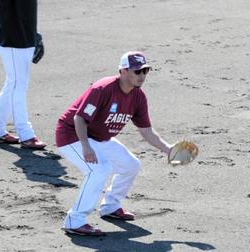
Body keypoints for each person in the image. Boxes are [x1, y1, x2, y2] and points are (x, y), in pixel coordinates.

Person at [56, 51, 173, 236]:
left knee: (131, 165)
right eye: (137, 71)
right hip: (73, 135)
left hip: (100, 138)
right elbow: (79, 118)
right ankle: (74, 220)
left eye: (145, 71)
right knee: (98, 169)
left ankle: (110, 207)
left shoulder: (138, 97)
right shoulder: (103, 89)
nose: (142, 75)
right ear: (123, 71)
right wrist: (86, 146)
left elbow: (146, 130)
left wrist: (168, 149)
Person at [0, 0, 46, 149]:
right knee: (18, 87)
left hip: (21, 39)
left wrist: (34, 35)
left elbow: (24, 11)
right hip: (14, 41)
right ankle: (26, 134)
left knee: (12, 85)